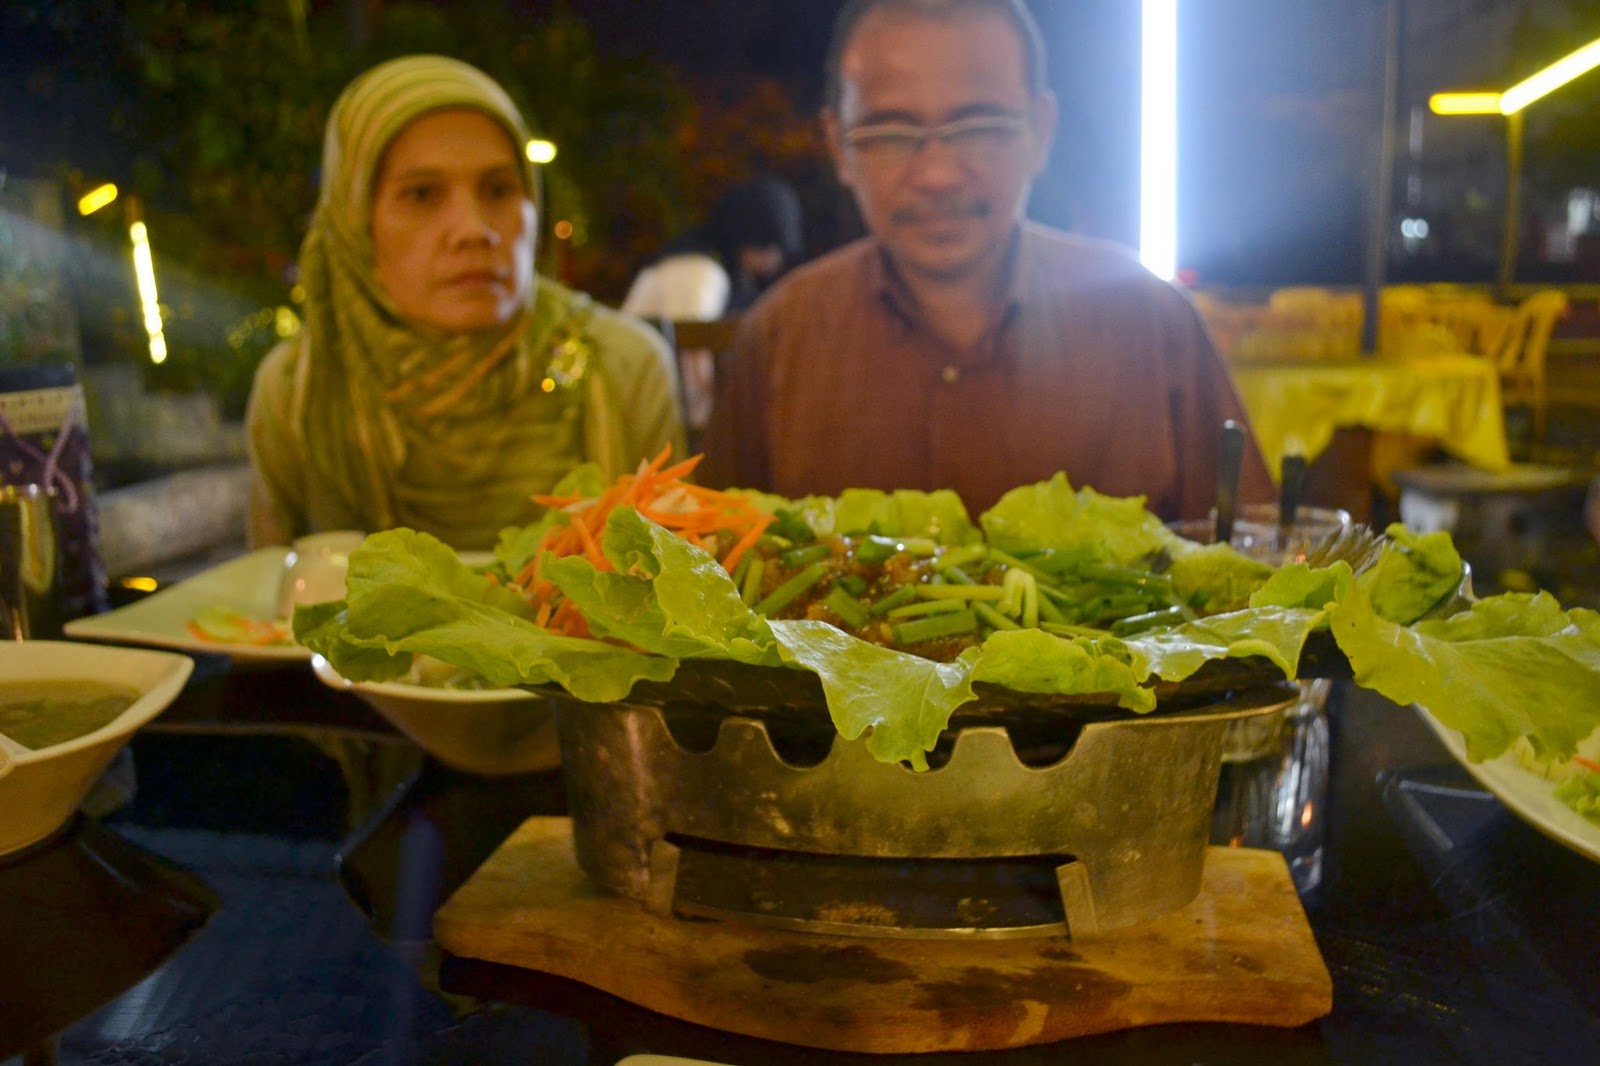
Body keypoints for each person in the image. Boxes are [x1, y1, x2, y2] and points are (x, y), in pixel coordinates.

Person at [701, 0, 1270, 520]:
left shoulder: (1152, 322)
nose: (937, 175)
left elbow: (1253, 560)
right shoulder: (780, 339)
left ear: (1041, 132)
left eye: (979, 129)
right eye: (892, 133)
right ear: (838, 146)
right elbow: (717, 565)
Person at [246, 55, 684, 551]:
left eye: (499, 189)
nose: (474, 230)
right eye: (422, 195)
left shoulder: (623, 369)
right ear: (355, 221)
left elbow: (672, 581)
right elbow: (267, 592)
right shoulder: (301, 392)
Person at [622, 175, 803, 431]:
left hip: (673, 407)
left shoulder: (727, 270)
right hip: (653, 413)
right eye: (767, 245)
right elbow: (694, 350)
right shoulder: (700, 271)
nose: (776, 258)